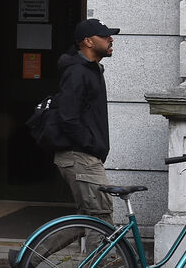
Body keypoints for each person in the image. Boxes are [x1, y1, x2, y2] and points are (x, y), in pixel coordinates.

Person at [52, 18, 119, 224]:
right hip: (80, 156)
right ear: (88, 41)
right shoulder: (77, 71)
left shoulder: (91, 69)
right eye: (104, 36)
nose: (110, 39)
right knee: (101, 219)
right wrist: (92, 145)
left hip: (84, 155)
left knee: (89, 219)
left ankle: (35, 247)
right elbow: (67, 117)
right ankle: (40, 240)